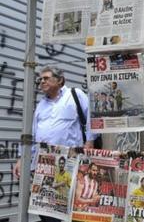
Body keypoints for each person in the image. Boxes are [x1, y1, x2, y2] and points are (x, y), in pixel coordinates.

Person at [13, 66, 96, 222]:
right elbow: (32, 132)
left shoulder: (75, 95)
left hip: (70, 162)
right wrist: (21, 158)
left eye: (45, 78)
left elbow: (92, 118)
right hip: (44, 164)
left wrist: (90, 141)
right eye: (40, 79)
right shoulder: (41, 105)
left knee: (73, 207)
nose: (41, 81)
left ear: (60, 80)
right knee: (44, 208)